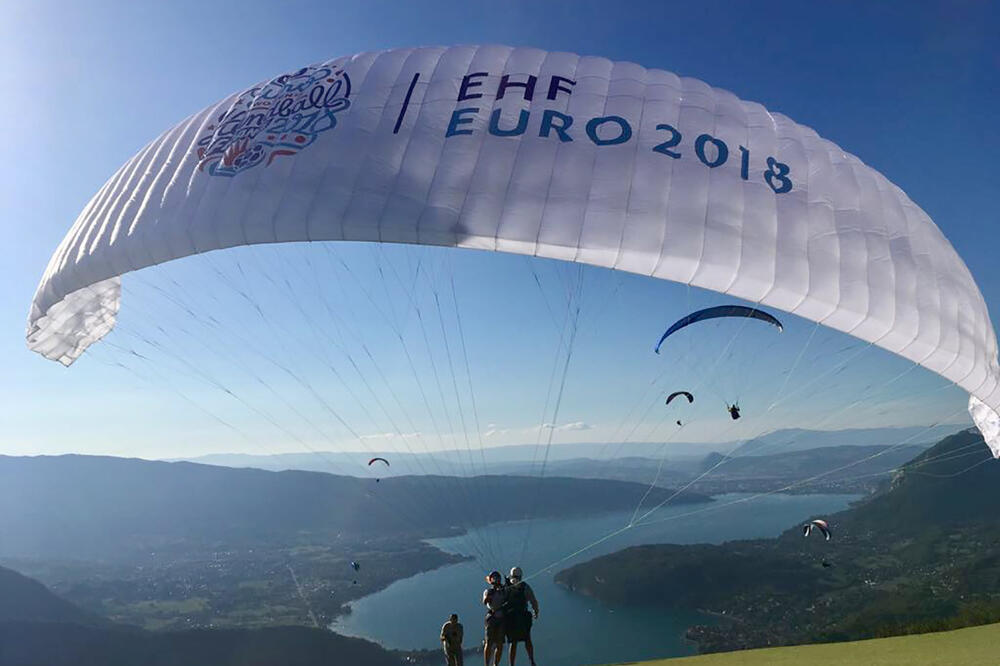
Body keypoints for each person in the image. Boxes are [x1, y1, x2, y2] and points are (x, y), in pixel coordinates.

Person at [503, 566, 539, 666]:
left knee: (513, 643)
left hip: (511, 619)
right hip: (523, 617)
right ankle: (531, 661)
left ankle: (511, 664)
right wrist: (536, 611)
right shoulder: (525, 587)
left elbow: (501, 601)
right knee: (527, 639)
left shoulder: (507, 588)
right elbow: (533, 601)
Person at [482, 571, 506, 666]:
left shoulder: (503, 590)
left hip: (500, 618)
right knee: (489, 642)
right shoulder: (488, 591)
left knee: (500, 644)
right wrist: (491, 595)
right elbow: (485, 601)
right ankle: (487, 664)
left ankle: (496, 664)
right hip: (492, 618)